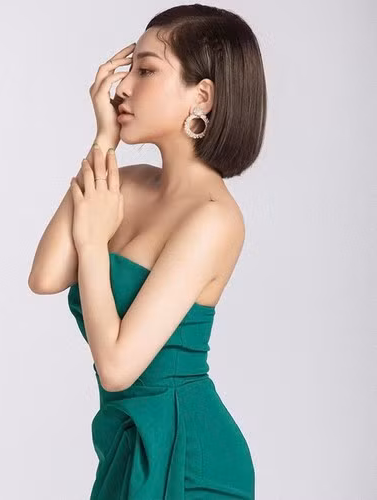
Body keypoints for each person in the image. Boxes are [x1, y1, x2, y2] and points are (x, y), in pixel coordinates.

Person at [29, 4, 267, 499]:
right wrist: (103, 141)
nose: (122, 88)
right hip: (127, 440)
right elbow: (46, 276)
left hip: (190, 460)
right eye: (129, 69)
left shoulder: (214, 217)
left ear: (202, 95)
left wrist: (93, 243)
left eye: (146, 70)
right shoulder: (129, 181)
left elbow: (117, 368)